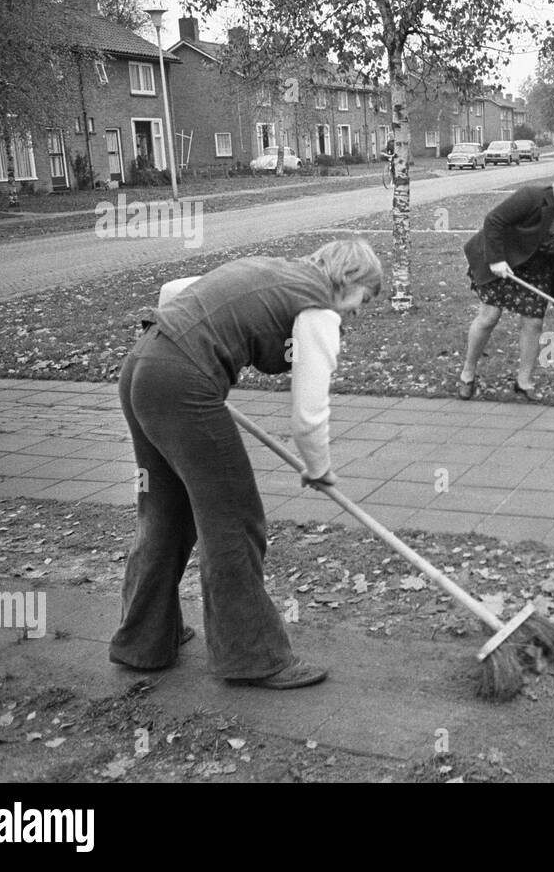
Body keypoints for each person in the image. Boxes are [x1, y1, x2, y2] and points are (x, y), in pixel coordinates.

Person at [110, 240, 383, 688]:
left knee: (167, 512)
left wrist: (182, 350)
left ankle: (142, 640)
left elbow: (175, 289)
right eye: (363, 299)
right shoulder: (319, 310)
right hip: (180, 385)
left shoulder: (275, 269)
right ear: (347, 280)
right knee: (233, 519)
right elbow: (309, 413)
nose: (359, 311)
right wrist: (318, 467)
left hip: (142, 363)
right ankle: (252, 657)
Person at [458, 170, 554, 400]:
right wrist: (496, 259)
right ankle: (468, 373)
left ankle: (523, 382)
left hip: (538, 270)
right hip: (502, 258)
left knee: (534, 322)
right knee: (489, 316)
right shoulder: (532, 197)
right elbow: (494, 221)